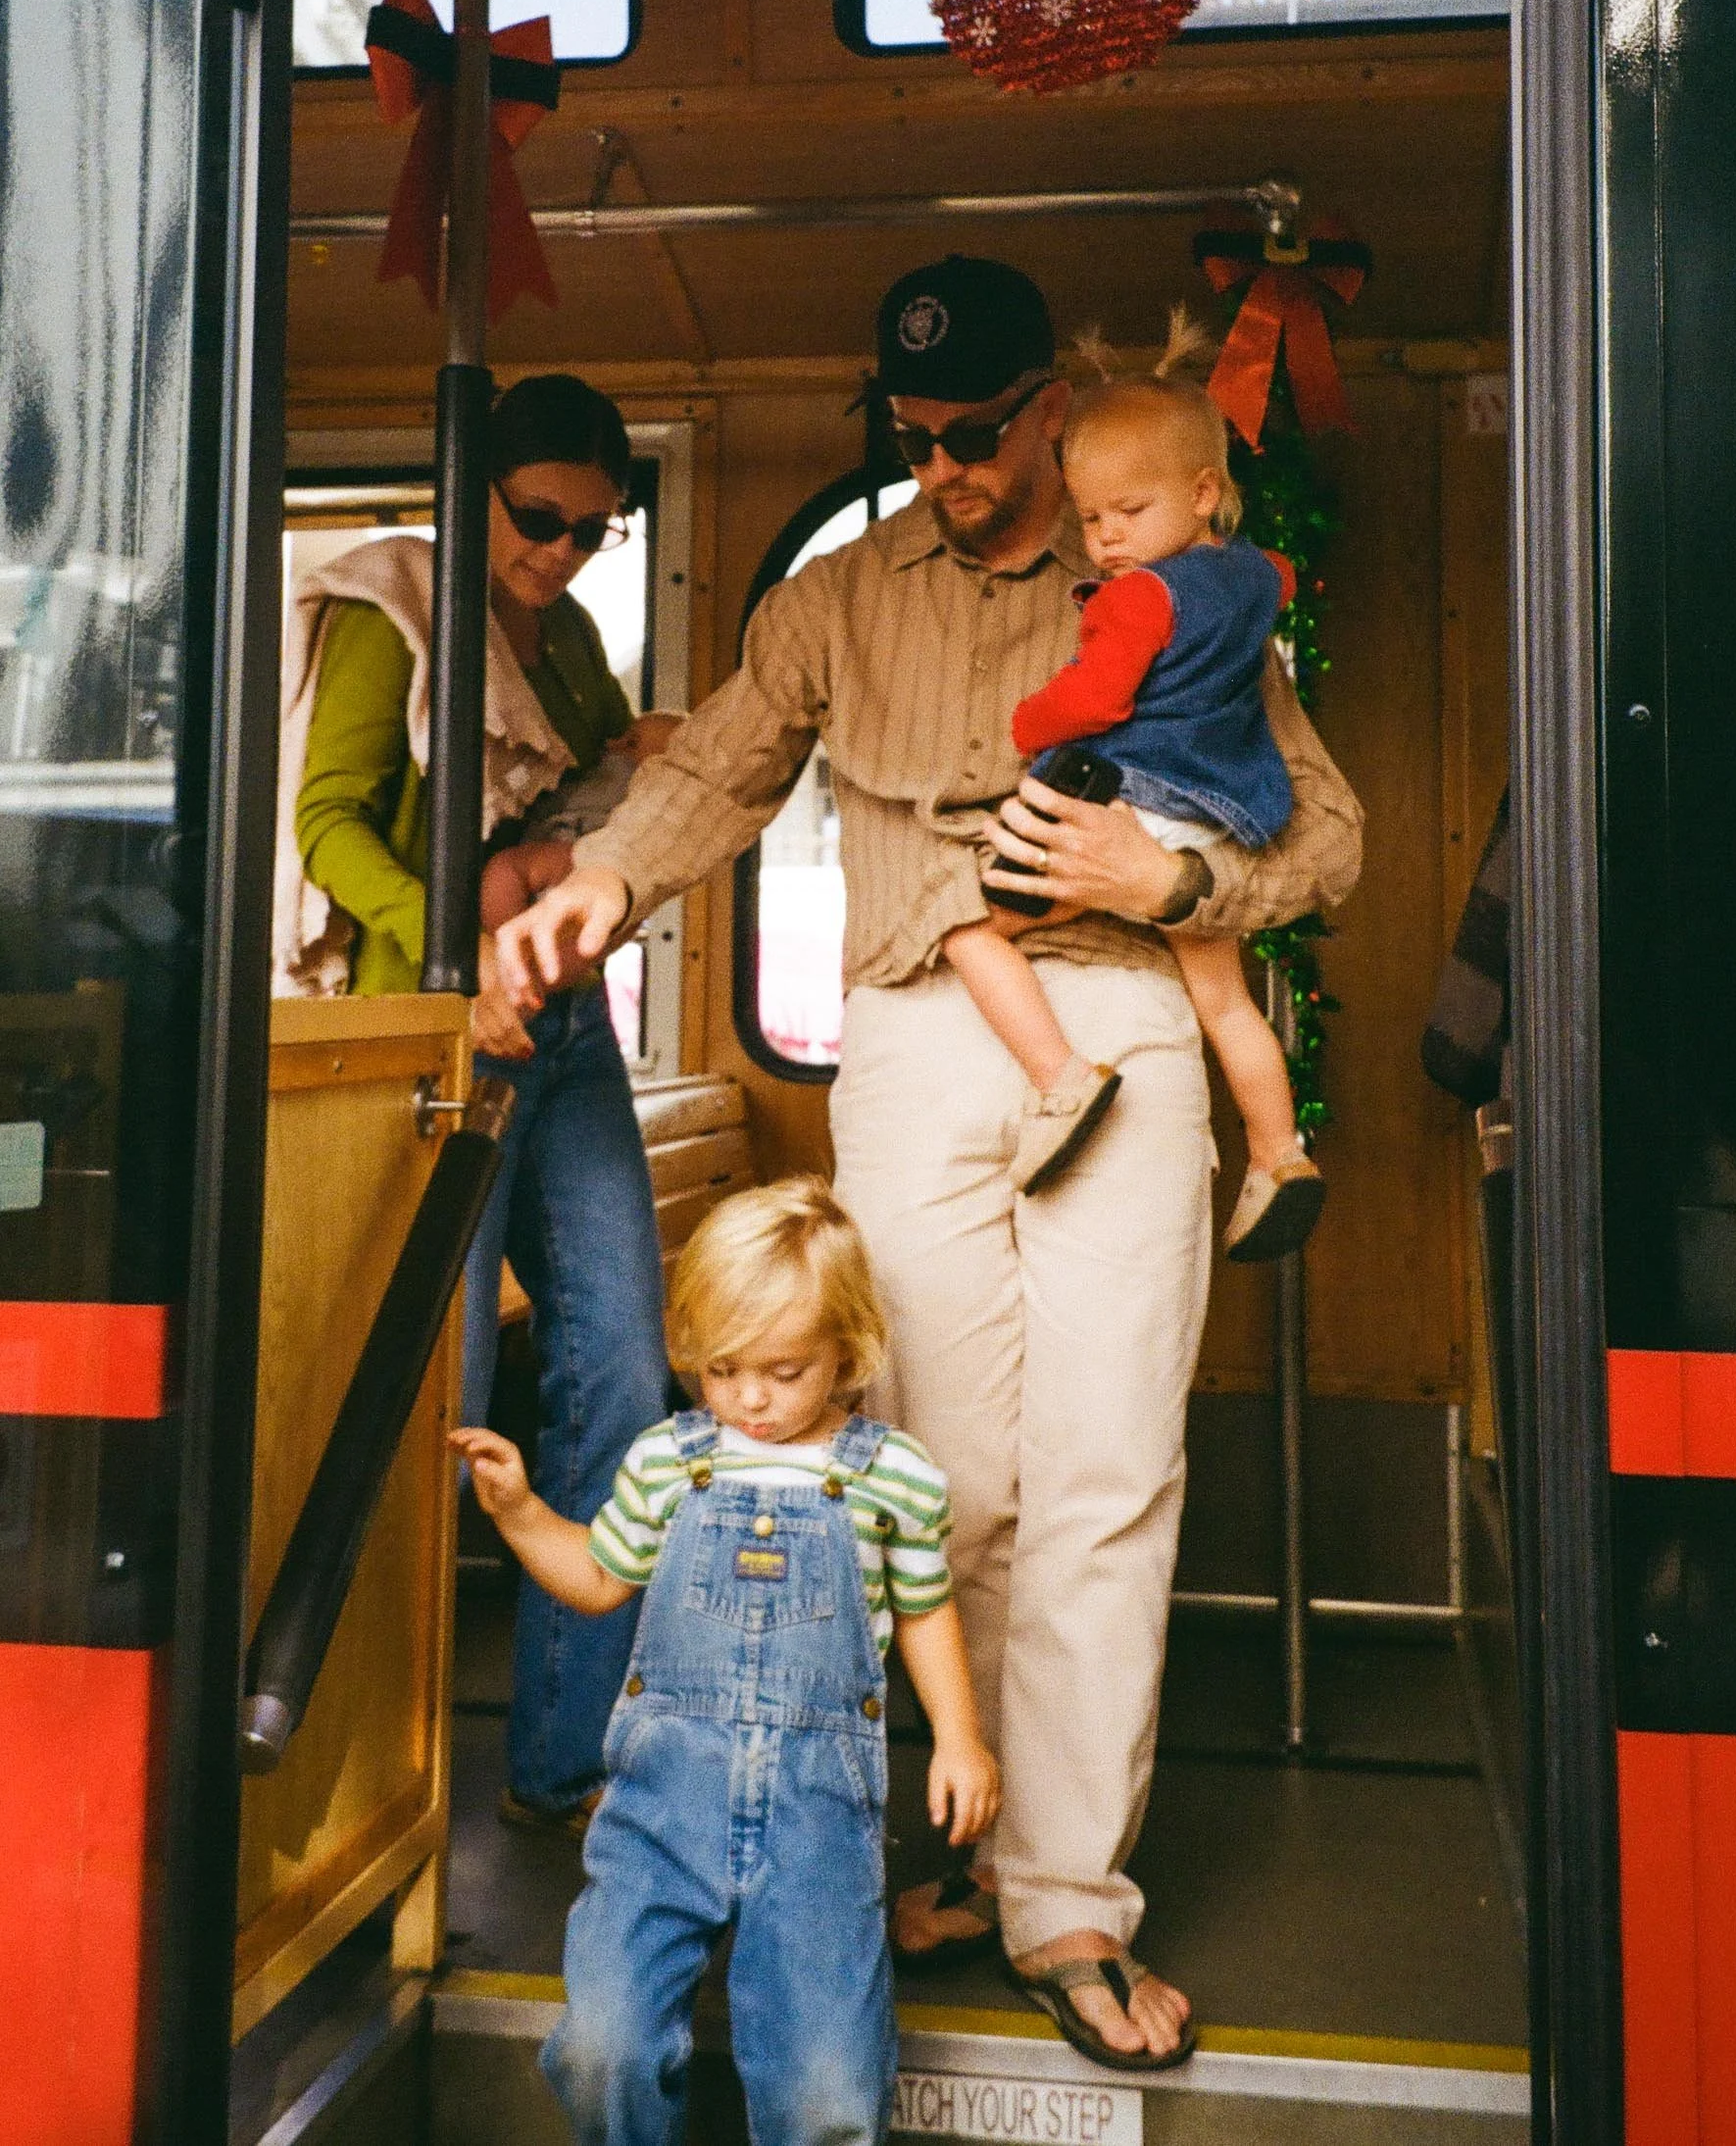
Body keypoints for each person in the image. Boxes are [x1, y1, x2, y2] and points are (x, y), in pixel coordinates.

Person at [497, 256, 1363, 2066]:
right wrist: (598, 888)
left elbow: (1331, 836)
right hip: (908, 1036)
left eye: (980, 433)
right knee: (936, 1479)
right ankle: (961, 1845)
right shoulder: (835, 595)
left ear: (1049, 403)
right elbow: (721, 765)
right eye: (915, 440)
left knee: (1108, 1473)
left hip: (1118, 1021)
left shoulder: (1165, 585)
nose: (953, 469)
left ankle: (1065, 1903)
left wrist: (1178, 882)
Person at [273, 371, 676, 1830]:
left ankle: (564, 1762)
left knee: (625, 1374)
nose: (561, 551)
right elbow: (327, 824)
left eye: (593, 529)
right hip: (437, 1037)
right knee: (446, 1393)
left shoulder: (564, 640)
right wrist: (450, 953)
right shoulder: (404, 616)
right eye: (539, 517)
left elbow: (592, 794)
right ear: (479, 490)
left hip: (563, 1035)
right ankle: (371, 1786)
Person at [452, 1177, 1000, 2146]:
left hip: (820, 1811)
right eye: (723, 1366)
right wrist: (521, 1512)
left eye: (784, 1370)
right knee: (602, 2045)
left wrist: (960, 1738)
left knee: (828, 2091)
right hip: (665, 1799)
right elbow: (598, 1576)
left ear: (847, 1348)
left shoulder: (895, 1477)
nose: (749, 1396)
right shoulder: (670, 1460)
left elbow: (923, 1609)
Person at [941, 315, 1329, 1259]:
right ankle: (1279, 1156)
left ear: (1203, 493)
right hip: (1220, 818)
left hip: (1132, 801)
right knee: (1226, 1001)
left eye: (1130, 511)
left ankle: (1062, 1076)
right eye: (1092, 518)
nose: (1108, 538)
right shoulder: (1255, 575)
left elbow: (1098, 693)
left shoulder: (1136, 595)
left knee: (969, 933)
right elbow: (1271, 590)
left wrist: (1030, 721)